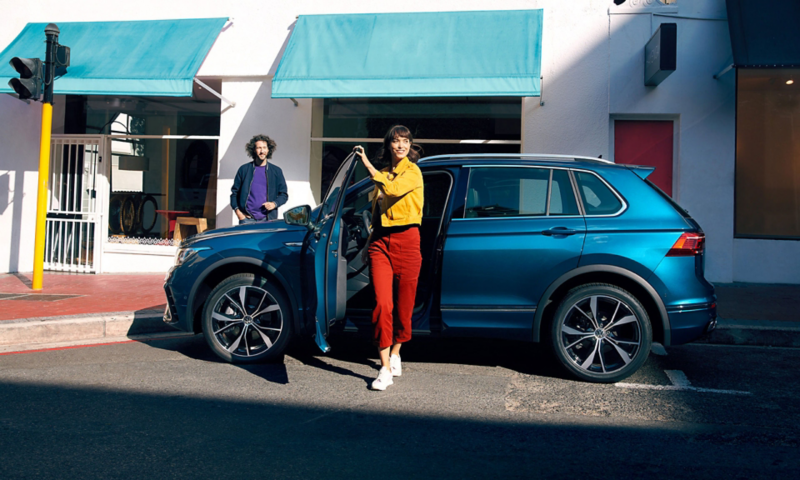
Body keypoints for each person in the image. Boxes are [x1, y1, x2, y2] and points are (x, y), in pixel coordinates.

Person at [355, 125, 424, 391]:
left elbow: (393, 190)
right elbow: (377, 209)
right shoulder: (382, 173)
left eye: (406, 141)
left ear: (410, 145)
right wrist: (370, 241)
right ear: (389, 145)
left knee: (404, 307)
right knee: (382, 305)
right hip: (381, 243)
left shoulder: (413, 172)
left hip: (408, 241)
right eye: (396, 141)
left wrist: (366, 163)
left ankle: (396, 352)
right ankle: (384, 367)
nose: (401, 145)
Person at [230, 134, 288, 224]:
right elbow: (234, 193)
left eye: (264, 148)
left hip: (268, 220)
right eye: (259, 148)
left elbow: (283, 195)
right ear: (254, 150)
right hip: (246, 219)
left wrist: (274, 204)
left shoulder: (276, 171)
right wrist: (238, 212)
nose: (262, 151)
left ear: (268, 150)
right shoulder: (244, 169)